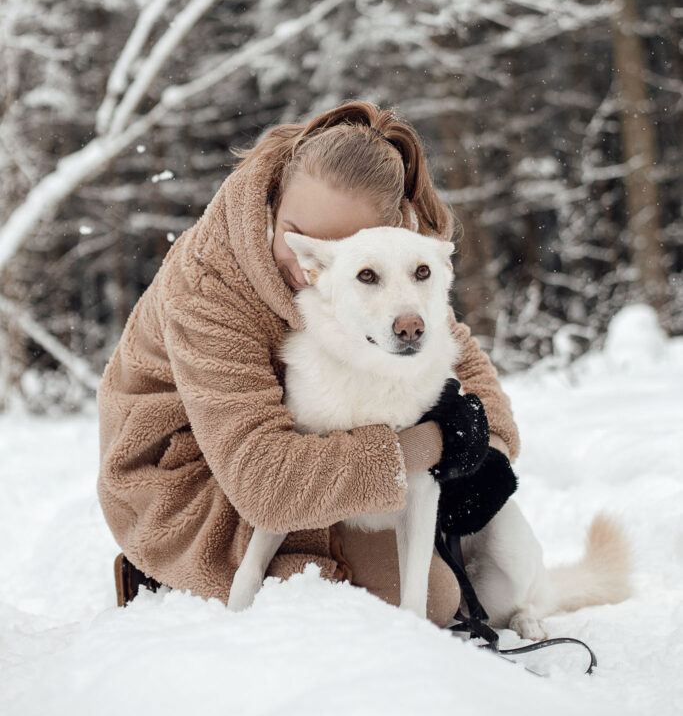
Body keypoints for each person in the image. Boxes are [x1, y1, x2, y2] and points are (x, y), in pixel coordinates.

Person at [97, 101, 520, 626]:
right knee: (408, 605)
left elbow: (456, 354)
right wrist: (435, 444)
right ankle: (161, 573)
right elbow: (265, 486)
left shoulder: (386, 268)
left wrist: (488, 450)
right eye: (298, 234)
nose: (308, 263)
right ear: (273, 199)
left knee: (440, 591)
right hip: (192, 481)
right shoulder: (207, 285)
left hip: (315, 454)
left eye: (339, 247)